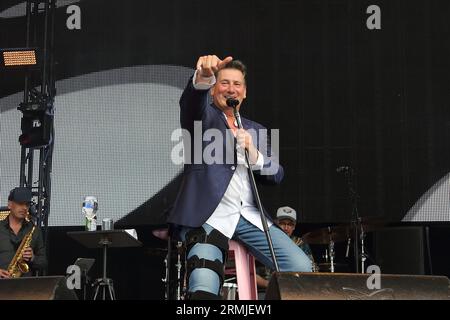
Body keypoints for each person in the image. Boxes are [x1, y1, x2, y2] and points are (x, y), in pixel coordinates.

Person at [168, 55, 312, 300]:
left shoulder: (257, 130)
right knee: (203, 285)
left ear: (244, 92)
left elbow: (277, 174)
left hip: (249, 217)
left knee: (300, 268)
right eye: (224, 83)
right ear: (213, 90)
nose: (231, 88)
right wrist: (203, 76)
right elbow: (191, 104)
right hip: (209, 215)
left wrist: (255, 155)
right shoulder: (203, 118)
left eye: (237, 84)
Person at [256, 206, 317, 292]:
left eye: (290, 224)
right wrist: (268, 284)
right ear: (276, 223)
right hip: (267, 290)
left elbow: (311, 271)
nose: (286, 227)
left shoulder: (300, 243)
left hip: (295, 288)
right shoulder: (265, 241)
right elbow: (251, 274)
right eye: (282, 223)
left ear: (294, 226)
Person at [0, 187, 47, 278]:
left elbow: (43, 263)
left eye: (27, 204)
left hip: (25, 286)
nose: (24, 208)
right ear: (9, 205)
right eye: (20, 203)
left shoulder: (34, 230)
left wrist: (33, 258)